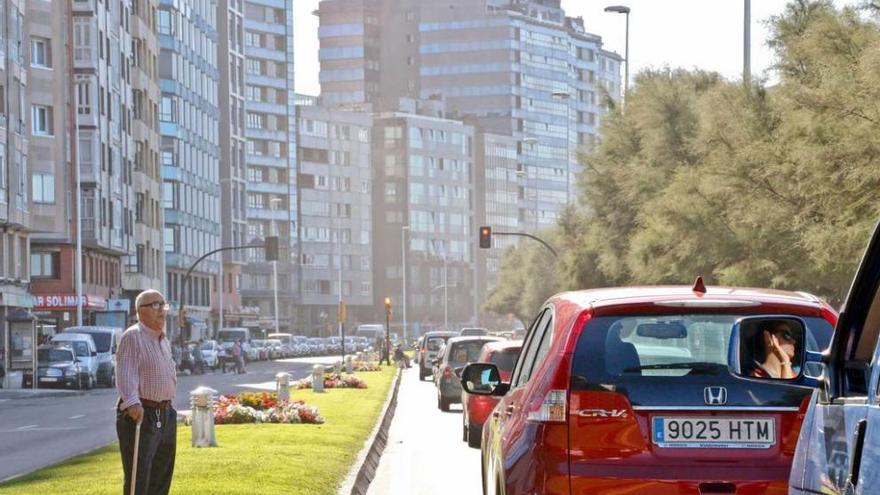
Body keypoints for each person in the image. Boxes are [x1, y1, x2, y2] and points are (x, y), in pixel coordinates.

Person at [115, 289, 177, 495]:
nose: (162, 311)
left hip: (164, 413)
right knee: (138, 476)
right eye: (156, 306)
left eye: (163, 305)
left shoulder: (163, 340)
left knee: (162, 473)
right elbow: (125, 372)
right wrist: (132, 403)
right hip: (142, 414)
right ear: (140, 311)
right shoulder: (133, 337)